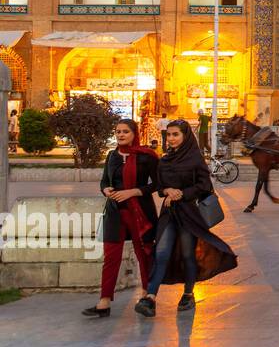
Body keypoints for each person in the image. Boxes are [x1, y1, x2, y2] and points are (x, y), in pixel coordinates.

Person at [135, 119, 238, 317]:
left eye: (176, 134)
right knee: (162, 252)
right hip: (169, 214)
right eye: (170, 135)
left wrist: (182, 193)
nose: (172, 138)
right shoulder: (164, 161)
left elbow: (204, 186)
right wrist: (167, 190)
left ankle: (188, 294)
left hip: (189, 214)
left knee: (188, 254)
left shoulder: (195, 159)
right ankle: (150, 298)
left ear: (185, 136)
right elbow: (159, 188)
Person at [84, 119, 158, 318]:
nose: (121, 135)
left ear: (134, 133)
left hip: (140, 213)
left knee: (144, 254)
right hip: (115, 212)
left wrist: (133, 192)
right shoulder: (112, 156)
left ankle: (146, 296)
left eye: (125, 131)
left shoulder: (147, 156)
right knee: (111, 257)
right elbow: (104, 181)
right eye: (117, 132)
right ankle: (104, 301)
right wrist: (105, 190)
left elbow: (157, 184)